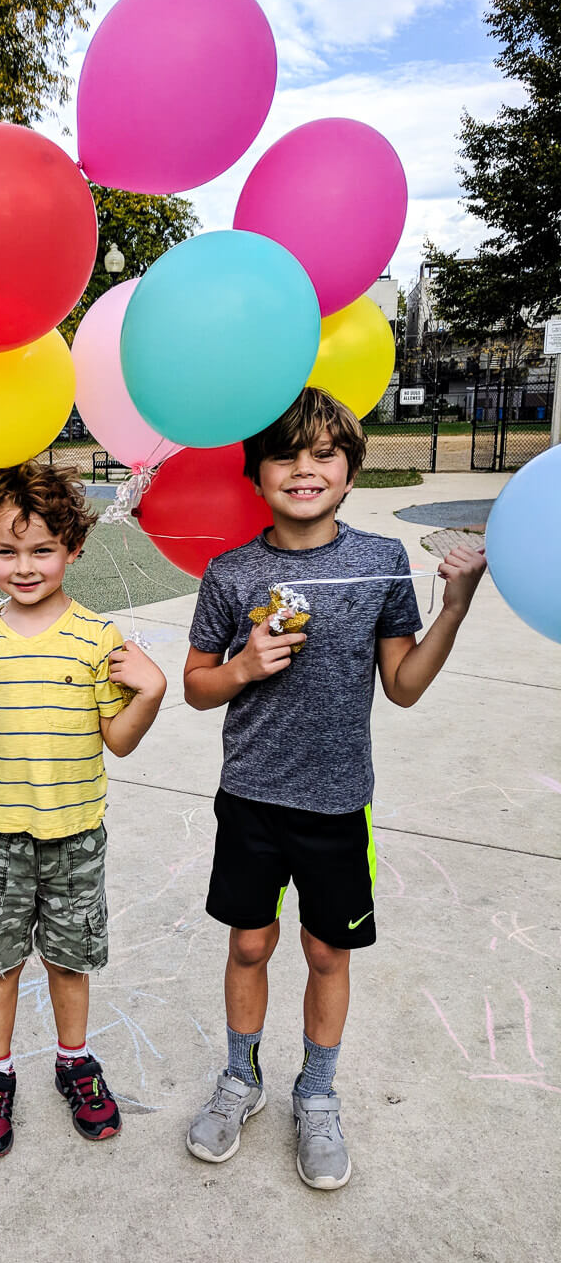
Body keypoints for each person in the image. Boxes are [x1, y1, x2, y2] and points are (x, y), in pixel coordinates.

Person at [183, 387, 486, 1190]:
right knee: (249, 942)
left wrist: (450, 610)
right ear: (256, 475)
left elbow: (405, 684)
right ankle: (240, 1077)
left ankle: (316, 1090)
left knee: (327, 951)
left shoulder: (384, 562)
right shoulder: (231, 571)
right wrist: (242, 665)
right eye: (286, 454)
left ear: (350, 472)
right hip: (249, 796)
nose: (305, 468)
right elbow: (195, 686)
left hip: (337, 801)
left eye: (324, 454)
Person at [0, 462, 166, 1158]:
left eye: (42, 548)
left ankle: (74, 1060)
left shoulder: (98, 638)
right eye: (6, 550)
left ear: (74, 548)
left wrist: (151, 692)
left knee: (69, 962)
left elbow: (120, 741)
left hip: (76, 835)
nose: (24, 566)